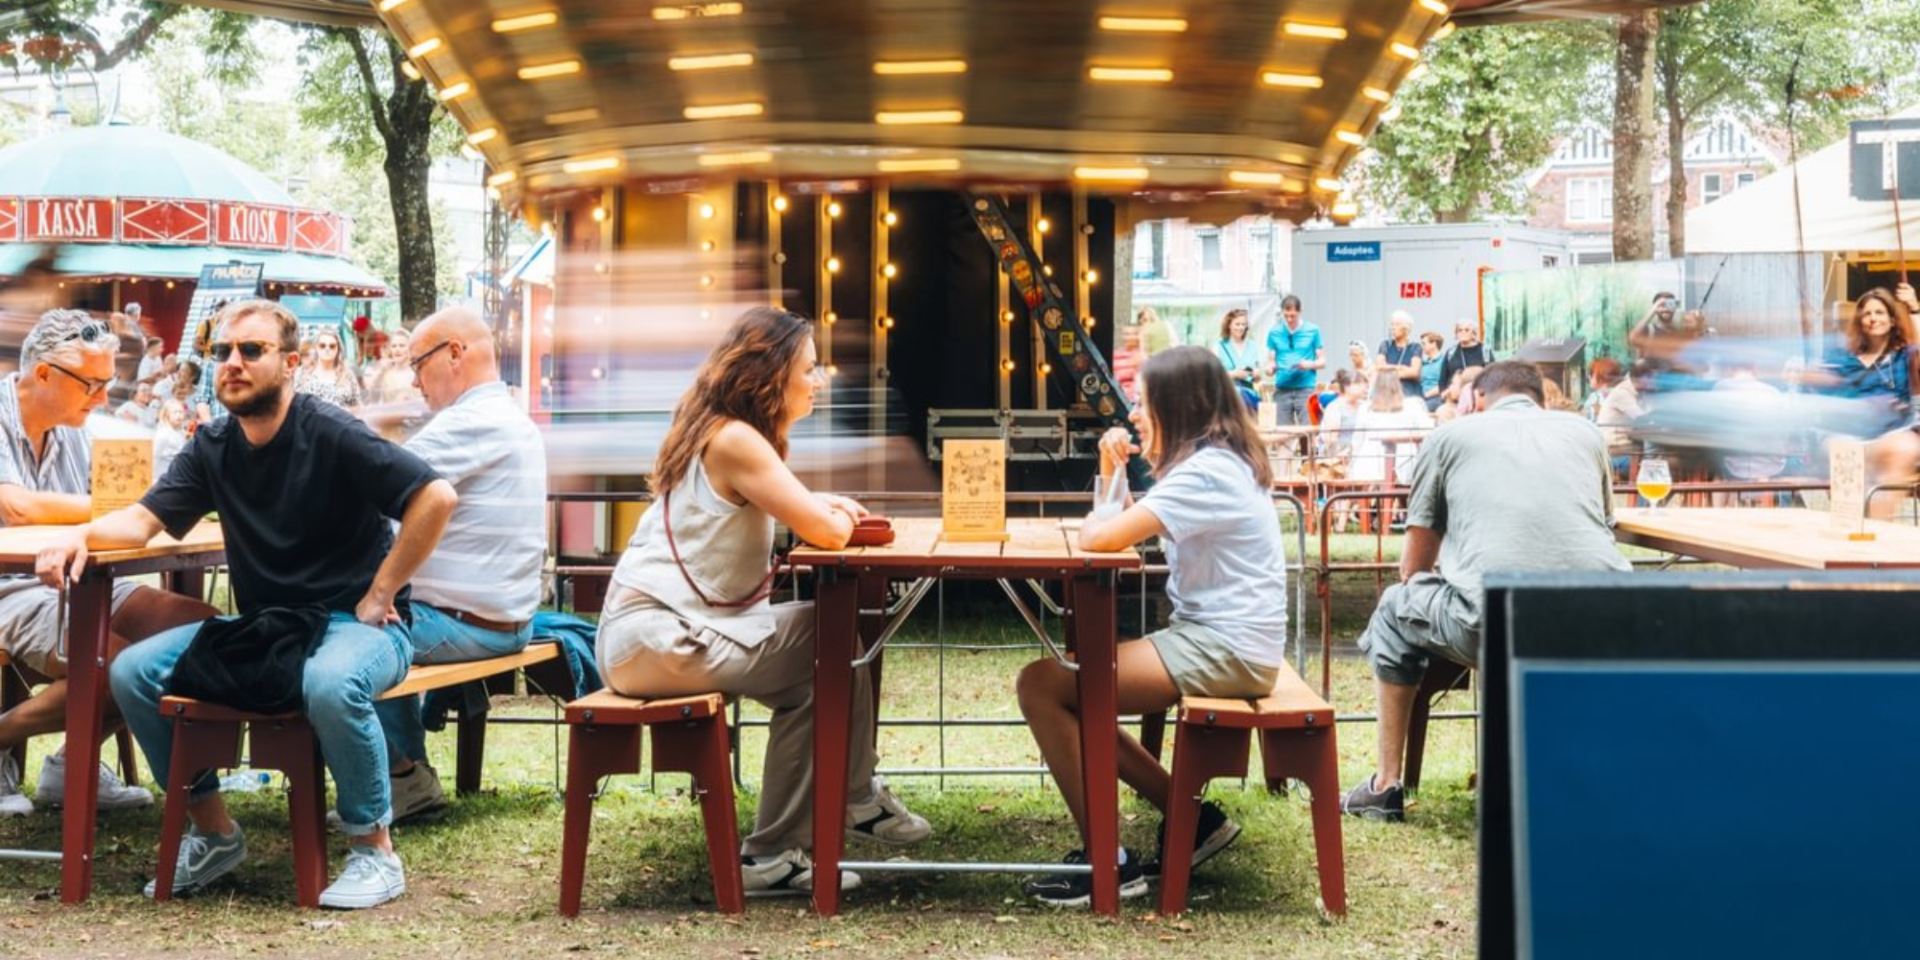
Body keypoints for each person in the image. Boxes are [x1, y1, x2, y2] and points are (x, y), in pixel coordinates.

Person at [39, 298, 459, 908]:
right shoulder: (214, 444)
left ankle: (374, 849)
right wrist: (77, 535)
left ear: (290, 363)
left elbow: (435, 496)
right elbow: (138, 524)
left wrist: (381, 591)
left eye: (251, 351)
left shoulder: (329, 430)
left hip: (356, 626)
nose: (231, 364)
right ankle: (213, 832)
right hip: (269, 627)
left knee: (330, 683)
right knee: (132, 671)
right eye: (222, 353)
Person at [594, 307, 930, 898]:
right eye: (810, 367)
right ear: (770, 374)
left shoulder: (720, 431)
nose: (819, 379)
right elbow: (824, 534)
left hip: (645, 635)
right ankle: (831, 813)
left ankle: (798, 837)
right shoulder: (738, 439)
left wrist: (819, 503)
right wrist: (827, 514)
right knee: (826, 639)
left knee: (817, 661)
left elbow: (781, 502)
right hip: (659, 637)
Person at [1016, 345, 1284, 906]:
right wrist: (1111, 468)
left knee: (1043, 686)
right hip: (1224, 640)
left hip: (1225, 646)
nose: (1134, 414)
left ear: (1178, 405)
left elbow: (1101, 536)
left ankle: (1107, 862)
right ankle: (1192, 819)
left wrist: (1110, 480)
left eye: (1143, 402)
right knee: (1068, 690)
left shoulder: (1209, 472)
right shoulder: (1212, 464)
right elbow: (1120, 524)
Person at [1340, 362, 1629, 821]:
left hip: (1496, 622)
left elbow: (1412, 566)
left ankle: (1386, 785)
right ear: (1543, 400)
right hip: (1606, 617)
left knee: (1395, 607)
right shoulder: (1585, 433)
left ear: (1475, 398)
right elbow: (1602, 522)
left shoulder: (1450, 436)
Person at [0, 310, 216, 817]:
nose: (102, 398)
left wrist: (141, 501)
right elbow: (16, 506)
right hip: (11, 586)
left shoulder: (72, 426)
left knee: (204, 633)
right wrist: (129, 508)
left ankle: (68, 765)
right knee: (128, 667)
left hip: (76, 579)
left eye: (108, 384)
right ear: (45, 374)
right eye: (93, 385)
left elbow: (128, 488)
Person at [369, 307, 547, 820]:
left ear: (454, 354)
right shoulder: (506, 415)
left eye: (417, 363)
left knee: (346, 632)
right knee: (380, 611)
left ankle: (403, 775)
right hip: (498, 618)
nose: (414, 380)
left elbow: (374, 486)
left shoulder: (470, 423)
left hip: (470, 624)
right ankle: (406, 775)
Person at [1817, 288, 1914, 438]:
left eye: (1879, 312)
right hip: (1849, 435)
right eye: (1867, 314)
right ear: (1860, 321)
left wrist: (1914, 308)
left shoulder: (1903, 358)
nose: (1873, 318)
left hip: (1891, 437)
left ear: (1892, 320)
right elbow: (1830, 400)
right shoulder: (1842, 358)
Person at [1265, 294, 1324, 426]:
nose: (1289, 319)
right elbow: (1271, 361)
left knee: (1308, 432)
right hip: (1282, 389)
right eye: (1286, 316)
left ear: (1300, 311)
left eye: (1293, 316)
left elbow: (1322, 361)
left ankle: (1307, 448)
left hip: (1305, 389)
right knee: (1282, 433)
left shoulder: (1313, 330)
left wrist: (1309, 364)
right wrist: (1270, 368)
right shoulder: (1274, 332)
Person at [293, 327, 363, 411]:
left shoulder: (348, 375)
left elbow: (357, 406)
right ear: (316, 347)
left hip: (340, 422)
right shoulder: (301, 373)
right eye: (322, 346)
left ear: (338, 349)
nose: (327, 349)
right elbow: (292, 403)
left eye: (332, 346)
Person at [1213, 308, 1261, 412]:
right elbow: (1213, 375)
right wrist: (1234, 374)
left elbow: (1257, 375)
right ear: (1229, 325)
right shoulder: (1219, 346)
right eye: (1237, 324)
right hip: (1227, 396)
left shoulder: (1252, 345)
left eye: (1243, 324)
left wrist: (1256, 374)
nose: (1240, 327)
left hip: (1248, 397)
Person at [363, 327, 422, 406]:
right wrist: (381, 372)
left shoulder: (417, 373)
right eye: (394, 346)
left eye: (402, 346)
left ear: (410, 348)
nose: (397, 349)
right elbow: (373, 399)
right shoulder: (384, 373)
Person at [1437, 320, 1494, 396]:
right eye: (1459, 330)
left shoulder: (1485, 351)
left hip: (1477, 395)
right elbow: (1443, 379)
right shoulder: (1451, 353)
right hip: (1455, 396)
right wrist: (1443, 394)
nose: (1463, 332)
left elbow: (1492, 375)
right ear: (1456, 334)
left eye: (1467, 330)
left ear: (1473, 334)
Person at [1376, 311, 1423, 400]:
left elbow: (1414, 373)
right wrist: (1402, 367)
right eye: (1392, 324)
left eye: (1396, 325)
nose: (1393, 328)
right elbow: (1379, 367)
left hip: (1410, 391)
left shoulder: (1415, 347)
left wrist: (1389, 371)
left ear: (1406, 328)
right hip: (1388, 390)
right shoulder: (1385, 345)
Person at [152, 398, 189, 478]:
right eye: (175, 412)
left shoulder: (182, 433)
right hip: (163, 475)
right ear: (167, 415)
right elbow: (155, 457)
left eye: (181, 412)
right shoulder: (163, 434)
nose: (179, 415)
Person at [1418, 331, 1447, 412]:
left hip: (1436, 398)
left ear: (1433, 344)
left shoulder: (1444, 361)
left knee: (1419, 410)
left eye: (1424, 344)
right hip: (1421, 398)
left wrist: (1425, 395)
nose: (1422, 346)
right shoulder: (1423, 362)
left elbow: (1443, 385)